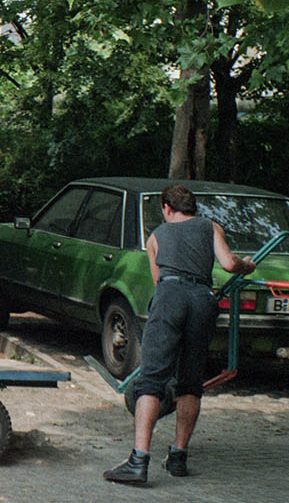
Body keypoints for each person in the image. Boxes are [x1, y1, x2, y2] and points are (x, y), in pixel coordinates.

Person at [104, 184, 256, 484]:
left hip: (170, 297)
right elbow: (228, 264)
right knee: (190, 382)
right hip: (202, 300)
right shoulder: (210, 226)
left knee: (151, 379)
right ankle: (178, 457)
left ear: (166, 207)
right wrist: (246, 266)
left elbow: (158, 280)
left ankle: (138, 461)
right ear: (192, 208)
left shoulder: (156, 236)